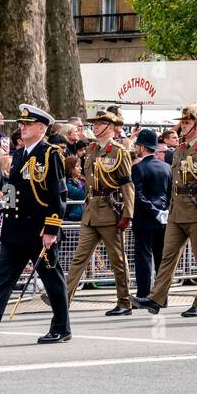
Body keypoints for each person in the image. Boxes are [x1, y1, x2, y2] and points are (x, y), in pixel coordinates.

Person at [0, 104, 70, 345]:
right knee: (2, 280)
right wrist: (3, 205)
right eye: (21, 124)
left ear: (41, 127)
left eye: (27, 124)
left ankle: (61, 327)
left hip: (38, 230)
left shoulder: (50, 154)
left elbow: (58, 195)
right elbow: (14, 189)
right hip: (15, 229)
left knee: (52, 280)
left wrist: (51, 229)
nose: (22, 127)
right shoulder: (19, 155)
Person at [136, 103, 197, 317]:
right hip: (177, 212)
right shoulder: (180, 150)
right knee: (167, 257)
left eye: (187, 122)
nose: (183, 126)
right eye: (182, 122)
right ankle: (156, 298)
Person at [63, 110, 135, 315]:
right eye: (94, 123)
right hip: (91, 210)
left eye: (101, 123)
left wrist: (127, 213)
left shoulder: (118, 151)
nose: (95, 126)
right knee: (79, 257)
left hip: (110, 211)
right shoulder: (92, 149)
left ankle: (124, 301)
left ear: (111, 128)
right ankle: (63, 298)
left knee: (117, 260)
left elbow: (127, 185)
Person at [130, 127, 171, 300]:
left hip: (145, 217)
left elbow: (137, 195)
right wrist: (164, 210)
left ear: (142, 147)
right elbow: (170, 193)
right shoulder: (166, 167)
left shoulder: (138, 168)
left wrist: (154, 211)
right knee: (161, 257)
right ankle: (162, 296)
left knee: (144, 257)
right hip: (162, 216)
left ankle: (144, 293)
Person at [63, 156, 85, 221]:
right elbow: (80, 195)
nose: (80, 168)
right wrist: (89, 183)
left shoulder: (82, 181)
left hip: (84, 218)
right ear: (70, 168)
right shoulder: (66, 184)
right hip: (72, 221)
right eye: (77, 166)